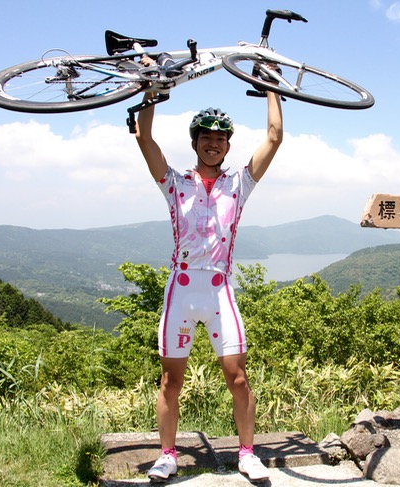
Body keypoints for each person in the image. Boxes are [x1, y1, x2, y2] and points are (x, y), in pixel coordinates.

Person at [134, 82, 283, 483]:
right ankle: (167, 455)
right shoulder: (175, 182)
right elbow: (144, 137)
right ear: (195, 142)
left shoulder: (239, 183)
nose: (213, 144)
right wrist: (151, 91)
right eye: (206, 138)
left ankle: (247, 454)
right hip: (182, 289)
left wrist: (270, 88)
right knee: (171, 380)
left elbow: (274, 136)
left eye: (220, 139)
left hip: (220, 289)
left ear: (228, 146)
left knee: (238, 377)